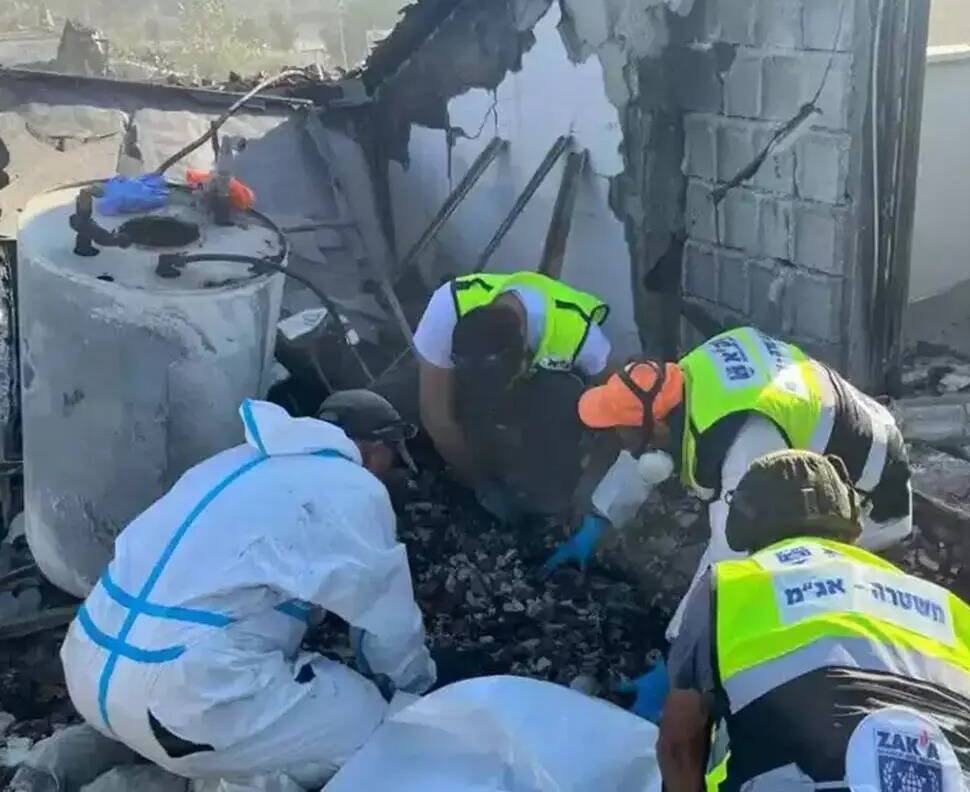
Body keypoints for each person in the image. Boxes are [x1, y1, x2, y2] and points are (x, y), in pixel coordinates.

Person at [58, 391, 436, 790]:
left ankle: (81, 772)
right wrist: (416, 690)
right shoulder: (354, 486)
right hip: (189, 696)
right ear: (376, 449)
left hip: (87, 667)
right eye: (391, 459)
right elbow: (386, 623)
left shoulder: (229, 462)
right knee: (375, 731)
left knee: (198, 715)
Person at [542, 326, 915, 718]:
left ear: (662, 425)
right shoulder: (681, 379)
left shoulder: (743, 444)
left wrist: (677, 666)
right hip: (831, 435)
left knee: (775, 585)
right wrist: (598, 523)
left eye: (623, 432)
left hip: (870, 493)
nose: (619, 440)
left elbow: (728, 559)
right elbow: (643, 448)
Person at [658, 450, 970, 792]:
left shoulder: (731, 585)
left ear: (744, 523)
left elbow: (679, 748)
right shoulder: (957, 615)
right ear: (850, 519)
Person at [413, 270, 615, 521]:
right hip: (476, 395)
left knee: (560, 394)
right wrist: (478, 482)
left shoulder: (580, 335)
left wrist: (589, 495)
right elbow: (436, 417)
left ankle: (549, 497)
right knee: (405, 401)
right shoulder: (450, 307)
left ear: (524, 358)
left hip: (545, 396)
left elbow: (620, 406)